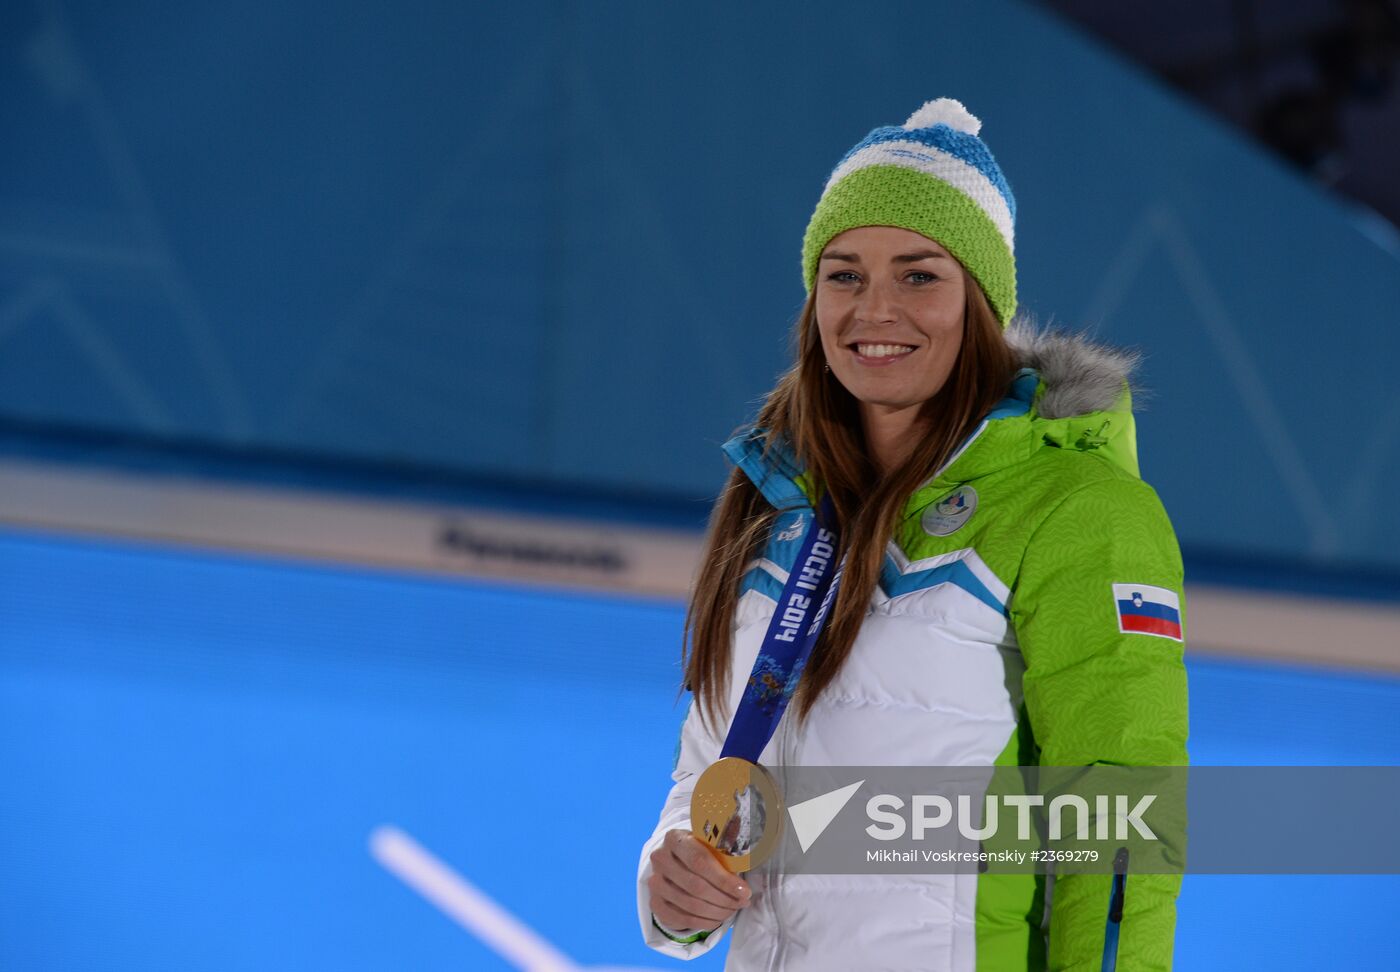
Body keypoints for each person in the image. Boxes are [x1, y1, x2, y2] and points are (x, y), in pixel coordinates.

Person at [636, 98, 1189, 970]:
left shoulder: (1077, 508)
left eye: (920, 275)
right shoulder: (774, 497)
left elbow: (1123, 829)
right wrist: (674, 890)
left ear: (983, 303)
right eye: (844, 274)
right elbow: (712, 769)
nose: (874, 309)